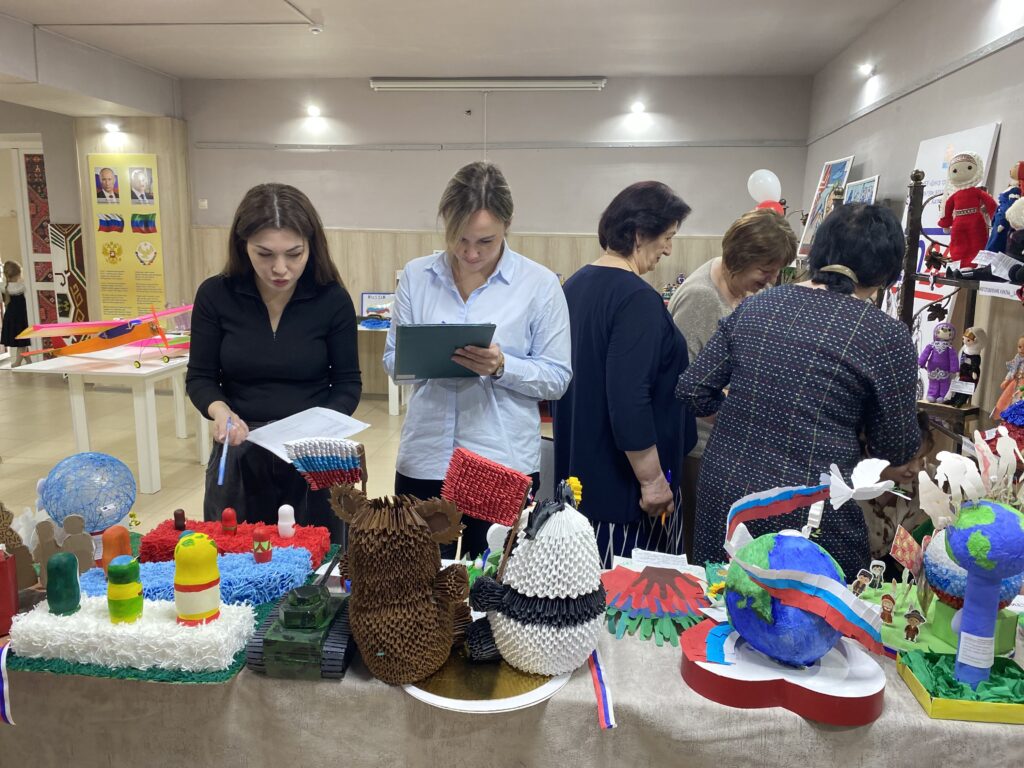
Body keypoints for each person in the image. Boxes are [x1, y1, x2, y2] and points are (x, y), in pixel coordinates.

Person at [676, 203, 921, 578]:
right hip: (810, 505)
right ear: (886, 271)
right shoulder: (884, 335)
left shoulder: (757, 306)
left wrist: (747, 412)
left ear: (818, 252)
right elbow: (896, 448)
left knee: (722, 595)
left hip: (727, 491)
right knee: (812, 605)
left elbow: (692, 390)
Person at [383, 161, 571, 558]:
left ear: (508, 225)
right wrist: (422, 357)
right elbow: (392, 360)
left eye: (485, 241)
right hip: (426, 458)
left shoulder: (538, 284)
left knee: (493, 579)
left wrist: (502, 366)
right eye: (460, 239)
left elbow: (557, 377)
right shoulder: (417, 277)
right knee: (417, 575)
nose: (471, 253)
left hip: (499, 459)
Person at [186, 183, 361, 542]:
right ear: (242, 245)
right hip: (240, 447)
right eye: (264, 254)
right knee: (237, 552)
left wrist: (318, 429)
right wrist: (221, 412)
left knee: (318, 555)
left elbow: (347, 384)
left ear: (312, 246)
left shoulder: (331, 299)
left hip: (313, 453)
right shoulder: (216, 295)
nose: (281, 269)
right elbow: (200, 377)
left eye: (294, 254)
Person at [553, 181, 696, 567]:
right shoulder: (636, 299)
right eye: (667, 237)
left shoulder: (575, 287)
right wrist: (653, 481)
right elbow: (629, 398)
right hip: (626, 498)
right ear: (639, 234)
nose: (669, 249)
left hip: (582, 483)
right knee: (629, 599)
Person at [669, 209, 796, 558]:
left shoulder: (738, 287)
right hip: (698, 449)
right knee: (703, 551)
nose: (770, 281)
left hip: (724, 445)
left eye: (776, 272)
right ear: (739, 258)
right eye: (765, 271)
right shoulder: (702, 298)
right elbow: (684, 386)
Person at [858, 411, 934, 573]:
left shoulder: (925, 478)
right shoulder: (847, 489)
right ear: (873, 451)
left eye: (920, 458)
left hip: (892, 568)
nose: (915, 468)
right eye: (907, 459)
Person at [1, 260, 29, 368]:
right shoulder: (22, 286)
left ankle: (29, 361)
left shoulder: (4, 286)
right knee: (23, 342)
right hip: (21, 317)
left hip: (10, 317)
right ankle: (18, 362)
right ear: (18, 274)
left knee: (22, 342)